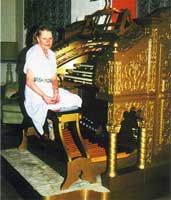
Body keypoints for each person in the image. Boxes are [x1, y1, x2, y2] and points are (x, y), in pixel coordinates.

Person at [23, 25, 82, 136]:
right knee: (47, 106)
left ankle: (62, 130)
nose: (48, 41)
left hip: (49, 88)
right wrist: (44, 96)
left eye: (50, 38)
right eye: (44, 38)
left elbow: (54, 78)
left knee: (76, 99)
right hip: (35, 90)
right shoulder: (33, 52)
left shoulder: (51, 54)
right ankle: (51, 128)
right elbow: (29, 81)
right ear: (38, 39)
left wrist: (56, 92)